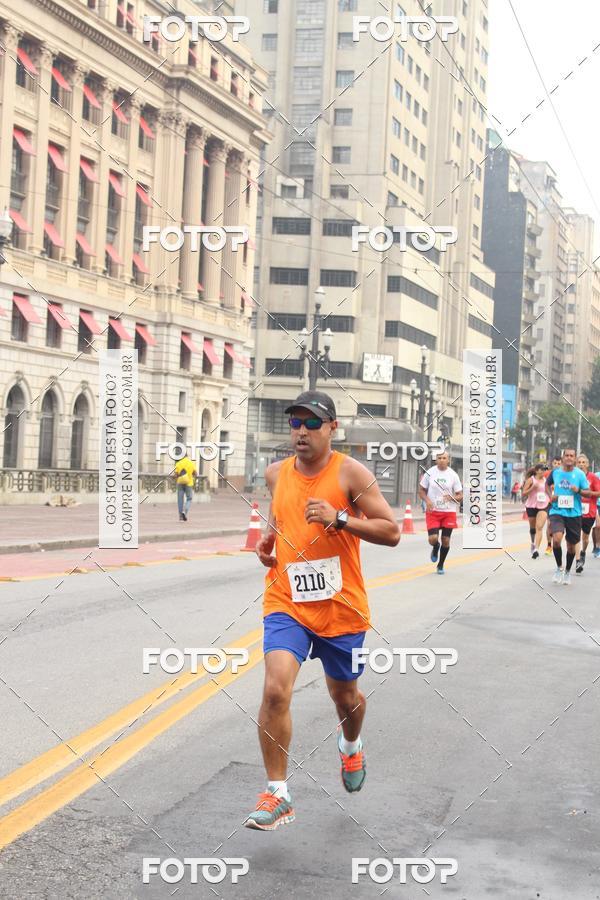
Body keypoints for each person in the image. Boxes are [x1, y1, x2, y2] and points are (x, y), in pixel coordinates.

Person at [247, 391, 400, 831]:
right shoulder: (276, 473)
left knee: (344, 697)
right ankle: (278, 794)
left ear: (333, 428)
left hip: (341, 608)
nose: (301, 431)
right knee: (276, 690)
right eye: (295, 422)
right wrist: (270, 540)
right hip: (287, 601)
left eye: (312, 423)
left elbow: (390, 531)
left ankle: (351, 745)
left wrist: (341, 519)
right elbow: (281, 513)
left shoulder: (351, 474)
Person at [547, 448, 590, 585]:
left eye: (572, 456)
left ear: (575, 458)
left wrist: (578, 490)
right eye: (567, 455)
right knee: (557, 538)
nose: (569, 458)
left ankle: (567, 571)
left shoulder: (580, 475)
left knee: (571, 547)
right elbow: (547, 485)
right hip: (557, 511)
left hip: (574, 513)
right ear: (563, 457)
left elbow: (588, 492)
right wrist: (550, 496)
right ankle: (559, 567)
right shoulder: (556, 472)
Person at [418, 451, 463, 575]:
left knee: (446, 540)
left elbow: (460, 495)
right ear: (436, 460)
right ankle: (435, 546)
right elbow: (421, 490)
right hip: (433, 511)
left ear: (448, 460)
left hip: (448, 512)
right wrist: (427, 501)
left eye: (444, 458)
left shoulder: (453, 475)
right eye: (439, 458)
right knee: (432, 539)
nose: (442, 460)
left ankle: (441, 564)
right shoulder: (430, 473)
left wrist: (452, 497)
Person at [574, 454, 600, 573]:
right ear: (576, 464)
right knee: (575, 537)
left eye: (583, 462)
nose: (581, 464)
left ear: (587, 464)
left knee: (585, 537)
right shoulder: (572, 476)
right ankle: (578, 559)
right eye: (579, 462)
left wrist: (588, 494)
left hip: (589, 512)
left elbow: (598, 493)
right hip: (574, 511)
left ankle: (583, 552)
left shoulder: (593, 478)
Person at [521, 464, 550, 559]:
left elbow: (549, 491)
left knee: (539, 527)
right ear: (537, 470)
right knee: (533, 528)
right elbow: (524, 493)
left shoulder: (546, 481)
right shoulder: (531, 480)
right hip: (531, 505)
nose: (544, 471)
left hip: (544, 505)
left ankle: (536, 549)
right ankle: (533, 543)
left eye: (545, 470)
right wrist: (533, 487)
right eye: (542, 470)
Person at [545, 457, 562, 555]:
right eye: (555, 463)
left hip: (562, 503)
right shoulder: (549, 474)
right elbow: (545, 486)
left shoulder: (564, 474)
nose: (557, 465)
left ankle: (557, 541)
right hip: (551, 503)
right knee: (549, 525)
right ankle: (549, 545)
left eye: (559, 463)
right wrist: (550, 496)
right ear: (552, 463)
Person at [173, 452, 197, 521]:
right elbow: (195, 473)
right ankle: (185, 511)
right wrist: (193, 478)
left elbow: (176, 474)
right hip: (189, 483)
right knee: (189, 498)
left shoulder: (178, 463)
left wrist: (175, 477)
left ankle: (180, 516)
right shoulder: (191, 463)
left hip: (180, 483)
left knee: (180, 499)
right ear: (187, 455)